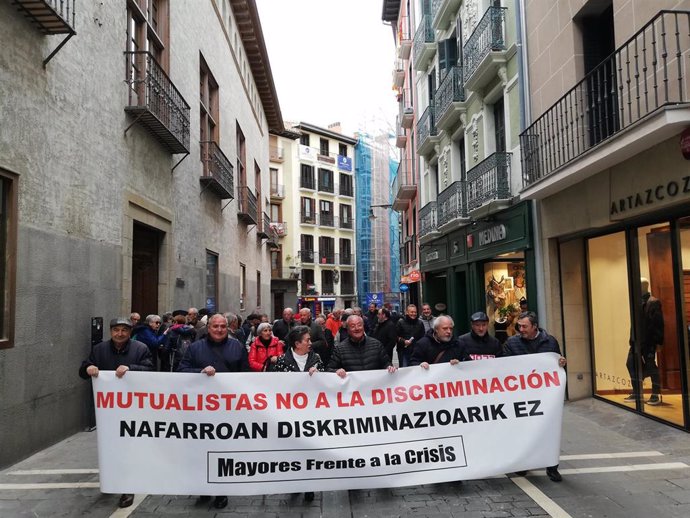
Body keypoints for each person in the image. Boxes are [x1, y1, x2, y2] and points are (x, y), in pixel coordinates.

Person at [79, 317, 153, 508]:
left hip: (133, 409)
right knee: (110, 447)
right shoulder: (99, 350)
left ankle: (127, 487)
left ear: (130, 332)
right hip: (109, 412)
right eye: (116, 330)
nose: (120, 334)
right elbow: (83, 368)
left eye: (124, 330)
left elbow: (150, 369)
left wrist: (131, 368)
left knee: (128, 448)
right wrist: (89, 368)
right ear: (111, 331)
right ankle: (113, 479)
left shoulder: (140, 349)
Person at [178, 314, 249, 509]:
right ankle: (203, 487)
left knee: (222, 452)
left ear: (228, 328)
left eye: (222, 326)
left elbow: (246, 376)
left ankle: (220, 491)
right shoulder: (194, 348)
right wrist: (199, 373)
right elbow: (181, 371)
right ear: (208, 327)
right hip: (200, 411)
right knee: (200, 451)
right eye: (215, 326)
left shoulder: (238, 347)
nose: (219, 329)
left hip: (228, 411)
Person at [504, 311, 567, 482]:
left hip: (546, 397)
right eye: (519, 326)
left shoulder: (550, 342)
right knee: (523, 431)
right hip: (521, 396)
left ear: (535, 327)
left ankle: (552, 467)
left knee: (549, 431)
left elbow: (558, 367)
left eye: (524, 326)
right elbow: (505, 368)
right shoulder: (512, 343)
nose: (521, 329)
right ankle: (523, 464)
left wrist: (561, 363)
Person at [270, 325, 324, 501]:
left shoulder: (315, 358)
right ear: (297, 343)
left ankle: (309, 485)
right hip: (290, 415)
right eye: (307, 340)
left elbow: (325, 382)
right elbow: (275, 387)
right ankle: (295, 482)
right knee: (293, 450)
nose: (310, 343)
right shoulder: (283, 361)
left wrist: (319, 373)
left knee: (309, 451)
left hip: (311, 415)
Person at [625, 277, 664, 405]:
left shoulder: (653, 302)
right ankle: (637, 392)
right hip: (636, 341)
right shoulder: (636, 302)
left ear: (643, 287)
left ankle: (655, 394)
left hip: (648, 341)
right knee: (631, 363)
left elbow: (658, 323)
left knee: (651, 366)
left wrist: (658, 342)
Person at [328, 315, 396, 377]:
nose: (357, 328)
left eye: (359, 325)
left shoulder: (376, 345)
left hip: (375, 388)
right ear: (347, 330)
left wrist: (389, 367)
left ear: (363, 327)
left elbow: (386, 363)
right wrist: (336, 371)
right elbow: (329, 369)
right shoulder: (340, 349)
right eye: (352, 326)